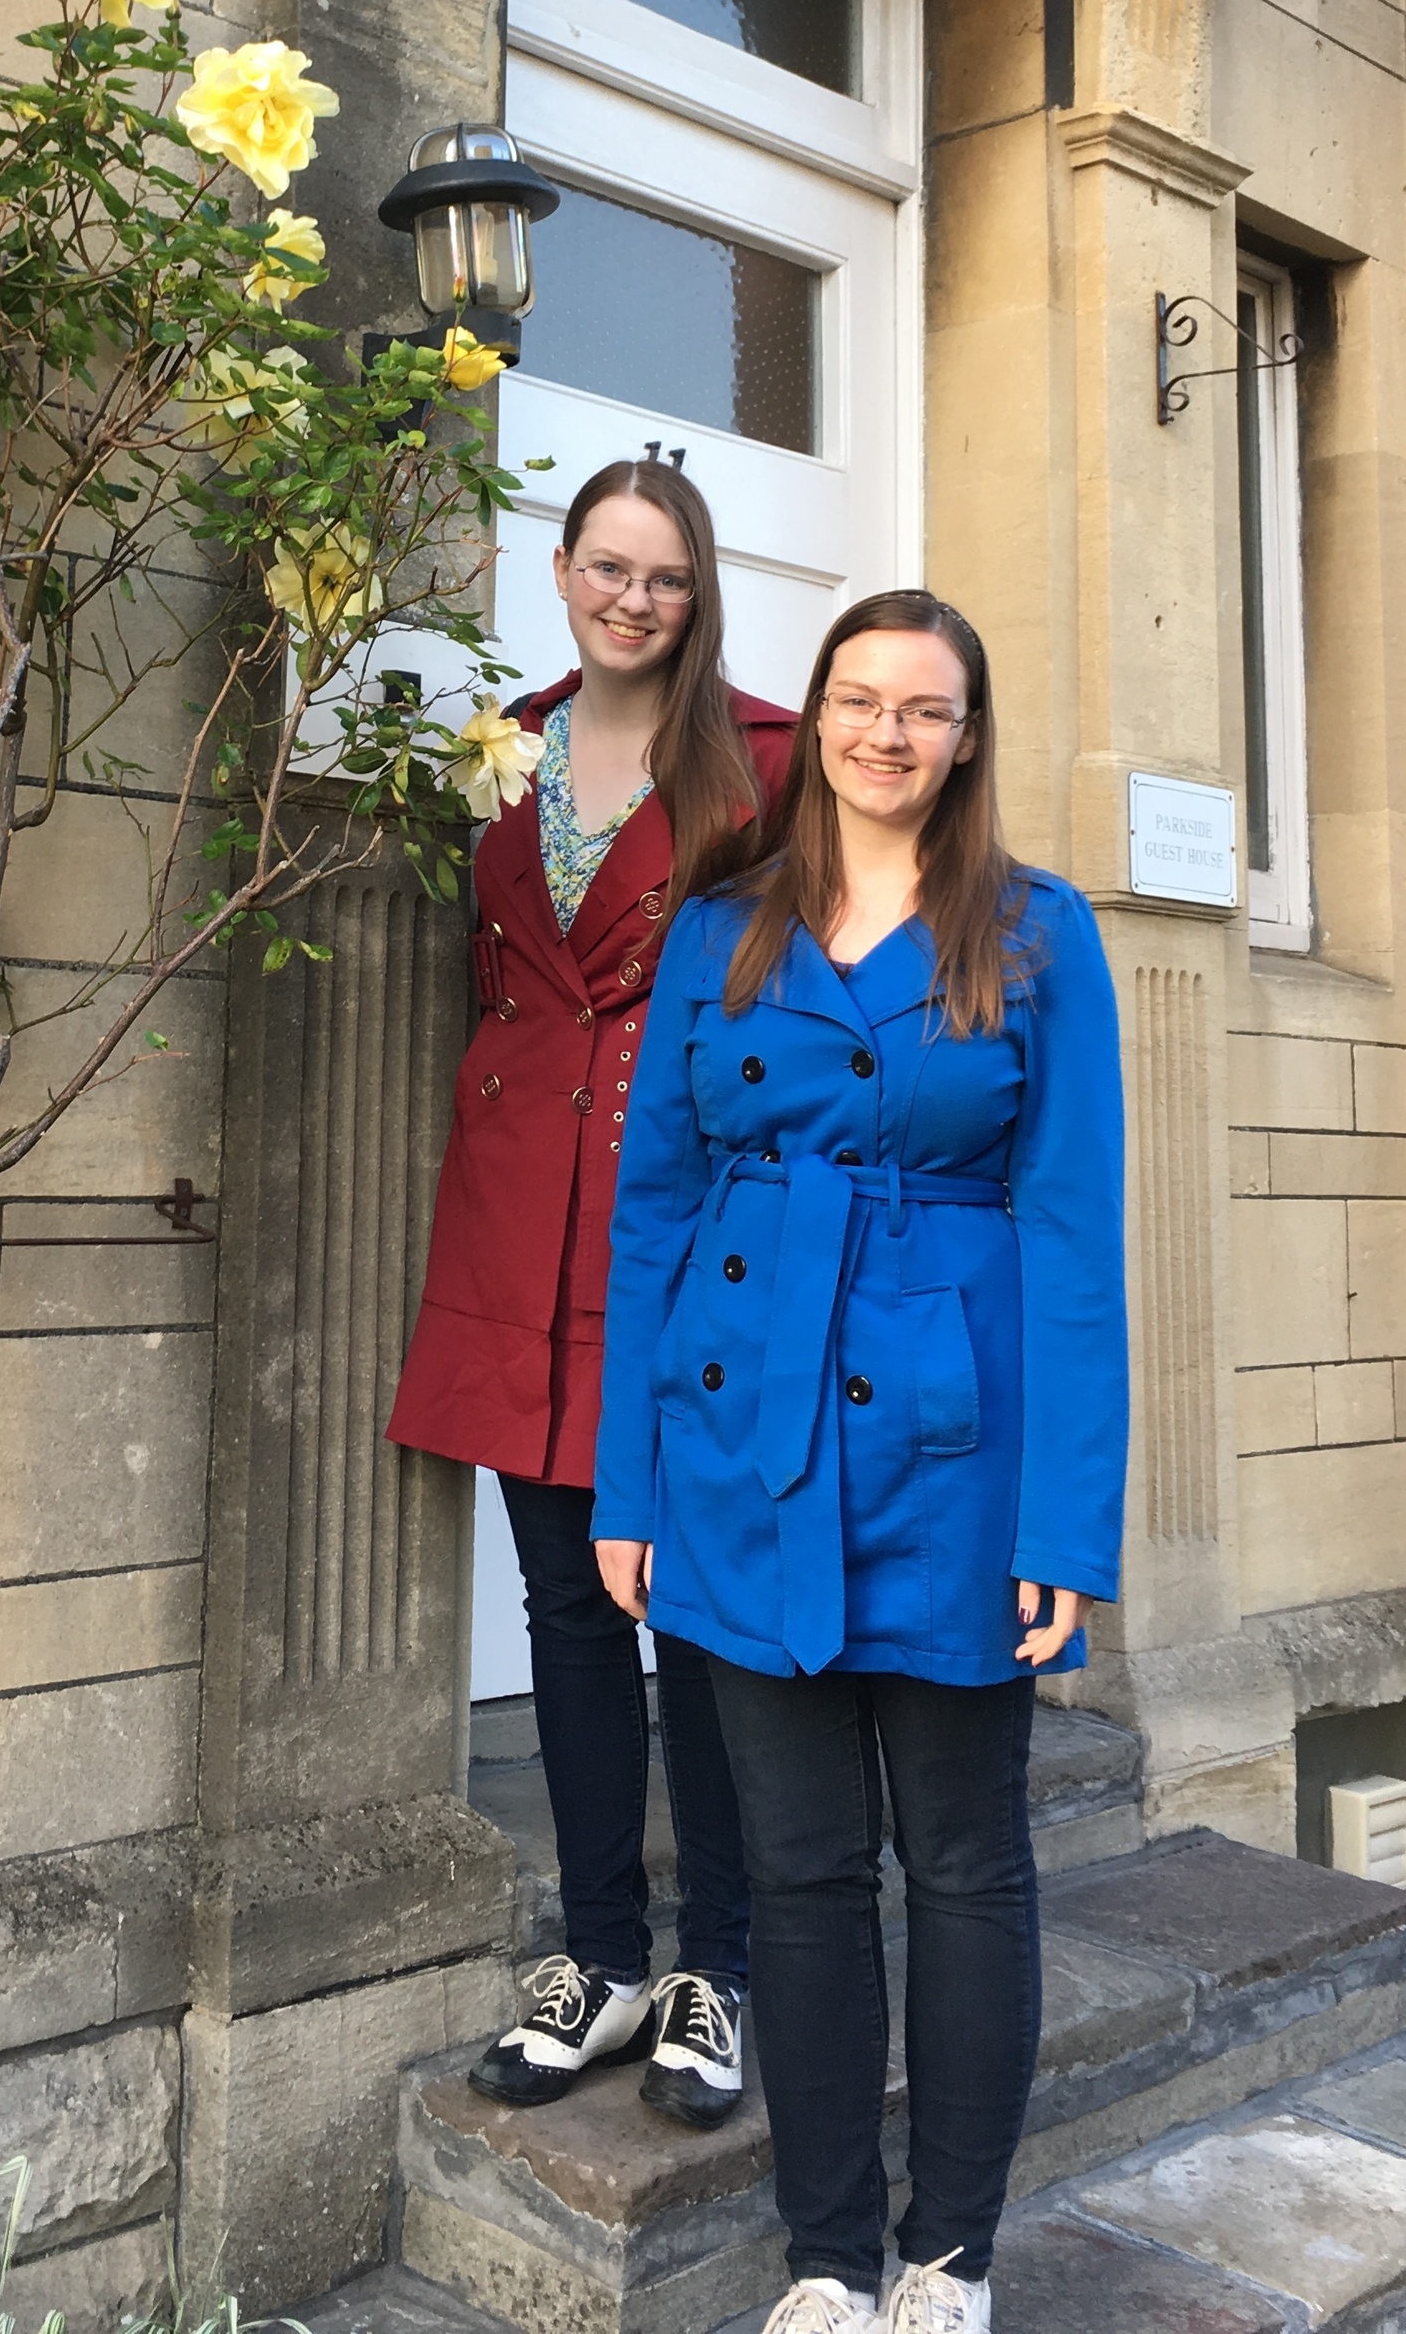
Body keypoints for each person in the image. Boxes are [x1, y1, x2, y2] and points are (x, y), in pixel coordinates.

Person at [590, 589, 1127, 2334]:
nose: (888, 731)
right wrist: (630, 1484)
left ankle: (948, 2252)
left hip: (959, 1467)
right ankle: (827, 2259)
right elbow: (654, 1218)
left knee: (966, 1862)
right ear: (811, 713)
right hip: (742, 1447)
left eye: (927, 707)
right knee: (802, 1875)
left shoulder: (1037, 935)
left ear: (969, 736)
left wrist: (1069, 1518)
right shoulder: (724, 921)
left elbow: (1071, 1241)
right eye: (859, 698)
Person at [389, 460, 795, 2126]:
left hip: (674, 1222)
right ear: (559, 571)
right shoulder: (498, 748)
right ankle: (605, 1951)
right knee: (565, 1605)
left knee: (687, 1615)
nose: (634, 600)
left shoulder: (762, 764)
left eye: (667, 578)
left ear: (700, 595)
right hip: (510, 1220)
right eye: (608, 569)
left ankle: (725, 1966)